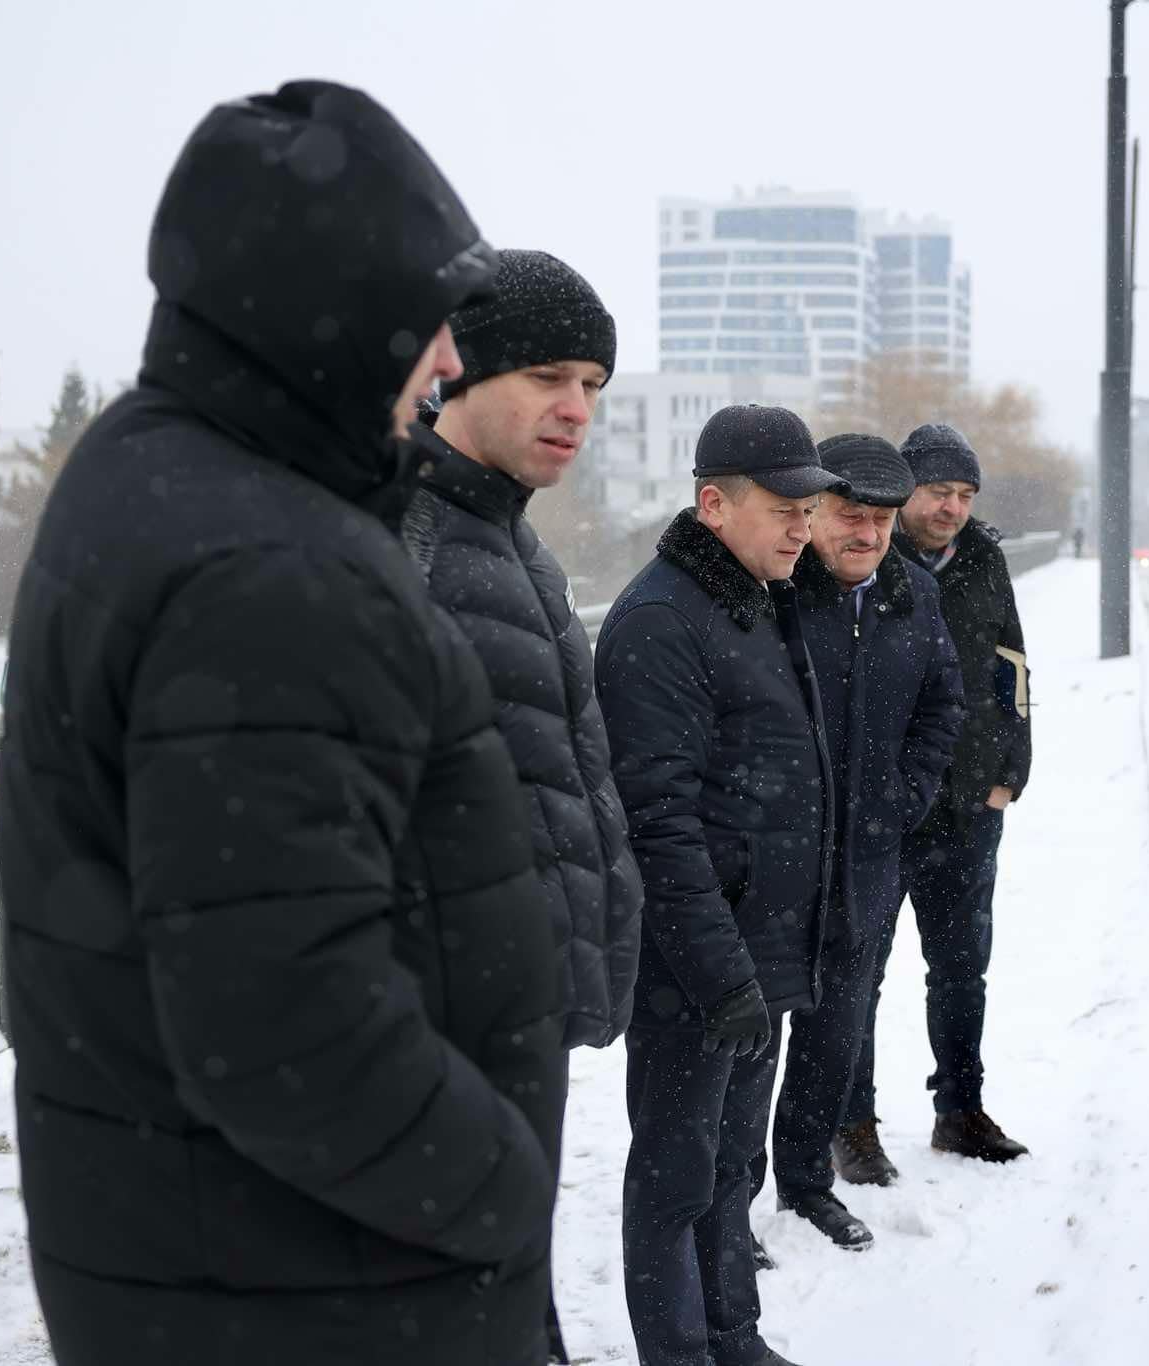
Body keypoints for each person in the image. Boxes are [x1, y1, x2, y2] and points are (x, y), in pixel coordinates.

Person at [0, 82, 565, 1365]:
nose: (448, 361)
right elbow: (281, 1024)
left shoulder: (151, 466)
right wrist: (499, 1185)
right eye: (425, 319)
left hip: (212, 1256)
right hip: (323, 1287)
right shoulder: (273, 571)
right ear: (329, 306)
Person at [398, 249, 642, 1363]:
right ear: (458, 371)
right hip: (440, 1031)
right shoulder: (402, 540)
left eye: (593, 384)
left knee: (509, 1282)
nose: (576, 408)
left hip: (517, 1009)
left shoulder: (515, 540)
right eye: (548, 376)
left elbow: (560, 768)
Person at [595, 405, 845, 1366]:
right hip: (694, 968)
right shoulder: (661, 620)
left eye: (809, 509)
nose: (802, 528)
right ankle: (680, 1353)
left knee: (732, 1166)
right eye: (784, 508)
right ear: (713, 504)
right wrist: (720, 975)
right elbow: (657, 822)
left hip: (753, 953)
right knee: (674, 1178)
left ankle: (733, 1338)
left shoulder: (754, 597)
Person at [768, 434, 965, 1249]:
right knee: (742, 1050)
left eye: (883, 520)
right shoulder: (770, 590)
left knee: (834, 1033)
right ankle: (720, 1209)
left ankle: (806, 1184)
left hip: (866, 862)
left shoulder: (913, 594)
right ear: (811, 511)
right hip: (772, 865)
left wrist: (901, 799)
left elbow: (943, 704)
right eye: (852, 515)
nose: (870, 534)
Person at [839, 422, 1034, 1177]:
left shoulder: (983, 557)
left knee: (961, 969)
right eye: (938, 491)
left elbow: (1012, 666)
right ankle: (853, 1123)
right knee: (860, 973)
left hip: (969, 806)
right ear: (904, 490)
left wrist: (1010, 772)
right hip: (885, 811)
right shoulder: (866, 556)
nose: (951, 508)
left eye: (964, 495)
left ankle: (960, 1109)